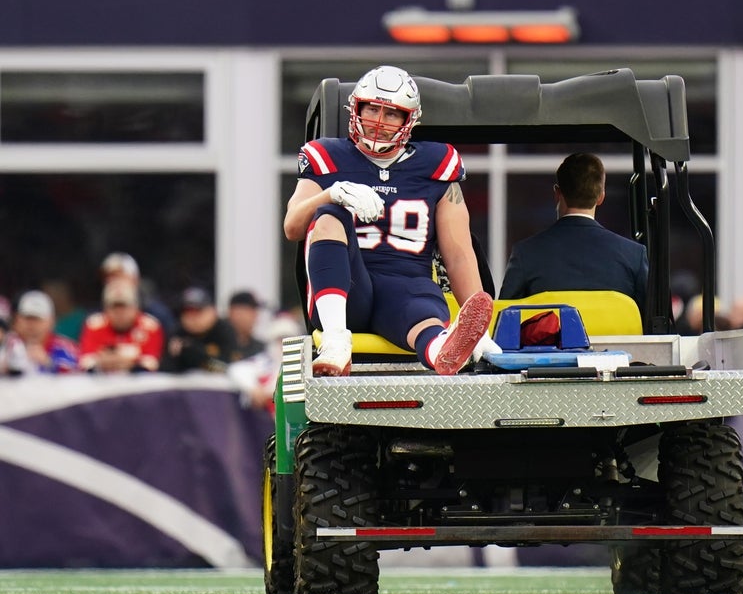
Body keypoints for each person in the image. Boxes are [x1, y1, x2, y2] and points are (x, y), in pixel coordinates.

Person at [282, 65, 499, 377]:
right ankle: (335, 342)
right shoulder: (326, 156)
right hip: (347, 291)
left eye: (392, 114)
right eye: (372, 109)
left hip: (406, 284)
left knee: (423, 317)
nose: (379, 122)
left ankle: (444, 351)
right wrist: (331, 194)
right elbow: (292, 226)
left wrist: (482, 329)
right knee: (329, 216)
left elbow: (459, 254)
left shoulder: (436, 164)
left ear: (409, 120)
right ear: (355, 109)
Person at [498, 153, 649, 314]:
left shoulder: (526, 254)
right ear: (601, 196)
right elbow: (655, 328)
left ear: (557, 193)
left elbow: (502, 324)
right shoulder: (634, 256)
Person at [79, 278, 164, 373]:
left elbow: (151, 364)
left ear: (135, 307)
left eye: (124, 308)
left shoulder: (149, 326)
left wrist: (126, 363)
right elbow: (86, 363)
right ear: (105, 309)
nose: (119, 314)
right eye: (114, 308)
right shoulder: (94, 325)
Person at [162, 287, 239, 373]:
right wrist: (177, 358)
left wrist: (199, 357)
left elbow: (230, 369)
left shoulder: (224, 331)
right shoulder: (177, 333)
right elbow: (164, 369)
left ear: (212, 311)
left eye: (197, 311)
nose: (191, 317)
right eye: (186, 312)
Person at [12, 290, 78, 374]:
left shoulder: (65, 348)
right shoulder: (7, 344)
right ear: (17, 320)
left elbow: (78, 373)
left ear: (51, 321)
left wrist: (49, 363)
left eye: (37, 319)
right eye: (27, 318)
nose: (31, 325)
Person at [226, 290, 265, 361]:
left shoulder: (261, 347)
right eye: (251, 311)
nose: (256, 316)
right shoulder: (219, 345)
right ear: (234, 312)